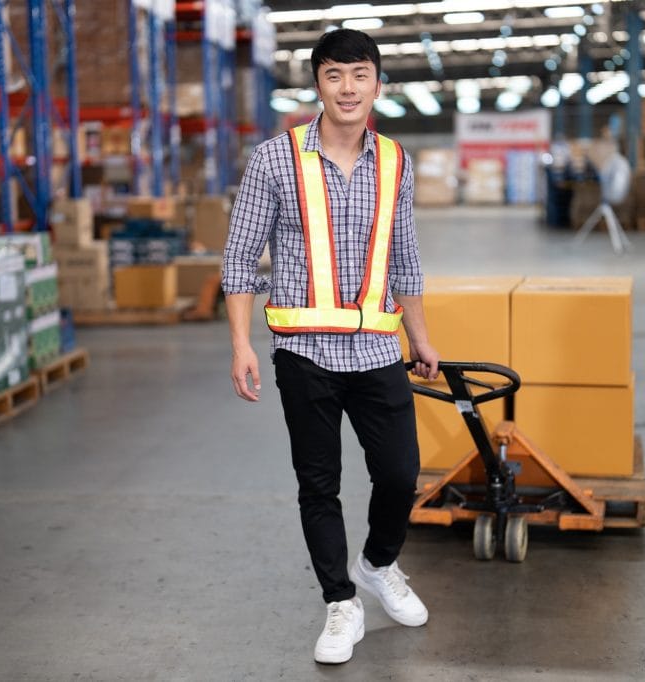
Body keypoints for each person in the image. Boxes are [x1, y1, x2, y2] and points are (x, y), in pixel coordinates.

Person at [221, 28, 440, 665]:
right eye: (334, 75)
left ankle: (377, 564)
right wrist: (241, 344)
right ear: (316, 82)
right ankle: (340, 602)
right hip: (304, 353)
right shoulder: (273, 160)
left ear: (378, 84)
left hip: (377, 350)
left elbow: (406, 259)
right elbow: (239, 261)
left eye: (360, 75)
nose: (348, 88)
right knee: (319, 483)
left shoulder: (396, 161)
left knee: (400, 475)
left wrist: (421, 338)